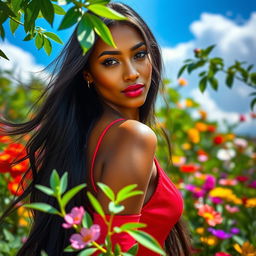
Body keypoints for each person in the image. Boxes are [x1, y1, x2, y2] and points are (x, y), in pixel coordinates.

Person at [0, 2, 191, 255]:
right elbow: (115, 251)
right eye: (111, 62)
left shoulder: (86, 136)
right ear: (88, 73)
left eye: (139, 54)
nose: (132, 73)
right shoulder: (133, 137)